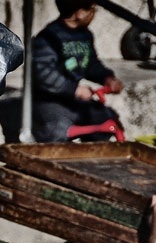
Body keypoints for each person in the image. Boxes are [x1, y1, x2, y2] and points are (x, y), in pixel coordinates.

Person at [31, 0, 124, 143]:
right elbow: (42, 73)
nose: (94, 14)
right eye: (93, 9)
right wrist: (74, 89)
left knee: (106, 118)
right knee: (57, 131)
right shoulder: (48, 38)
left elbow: (90, 64)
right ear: (80, 12)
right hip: (49, 102)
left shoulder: (85, 35)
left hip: (72, 100)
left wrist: (107, 78)